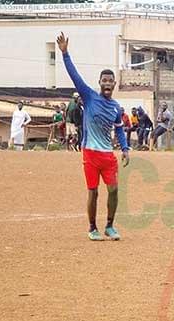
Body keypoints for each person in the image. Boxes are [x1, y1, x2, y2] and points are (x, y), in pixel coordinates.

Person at [57, 32, 130, 241]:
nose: (107, 83)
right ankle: (92, 228)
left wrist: (124, 149)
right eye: (104, 80)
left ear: (114, 84)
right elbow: (75, 76)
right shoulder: (89, 97)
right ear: (99, 82)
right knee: (94, 192)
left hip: (108, 155)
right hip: (90, 152)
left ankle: (109, 226)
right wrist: (65, 54)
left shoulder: (116, 107)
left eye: (110, 80)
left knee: (114, 191)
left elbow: (119, 129)